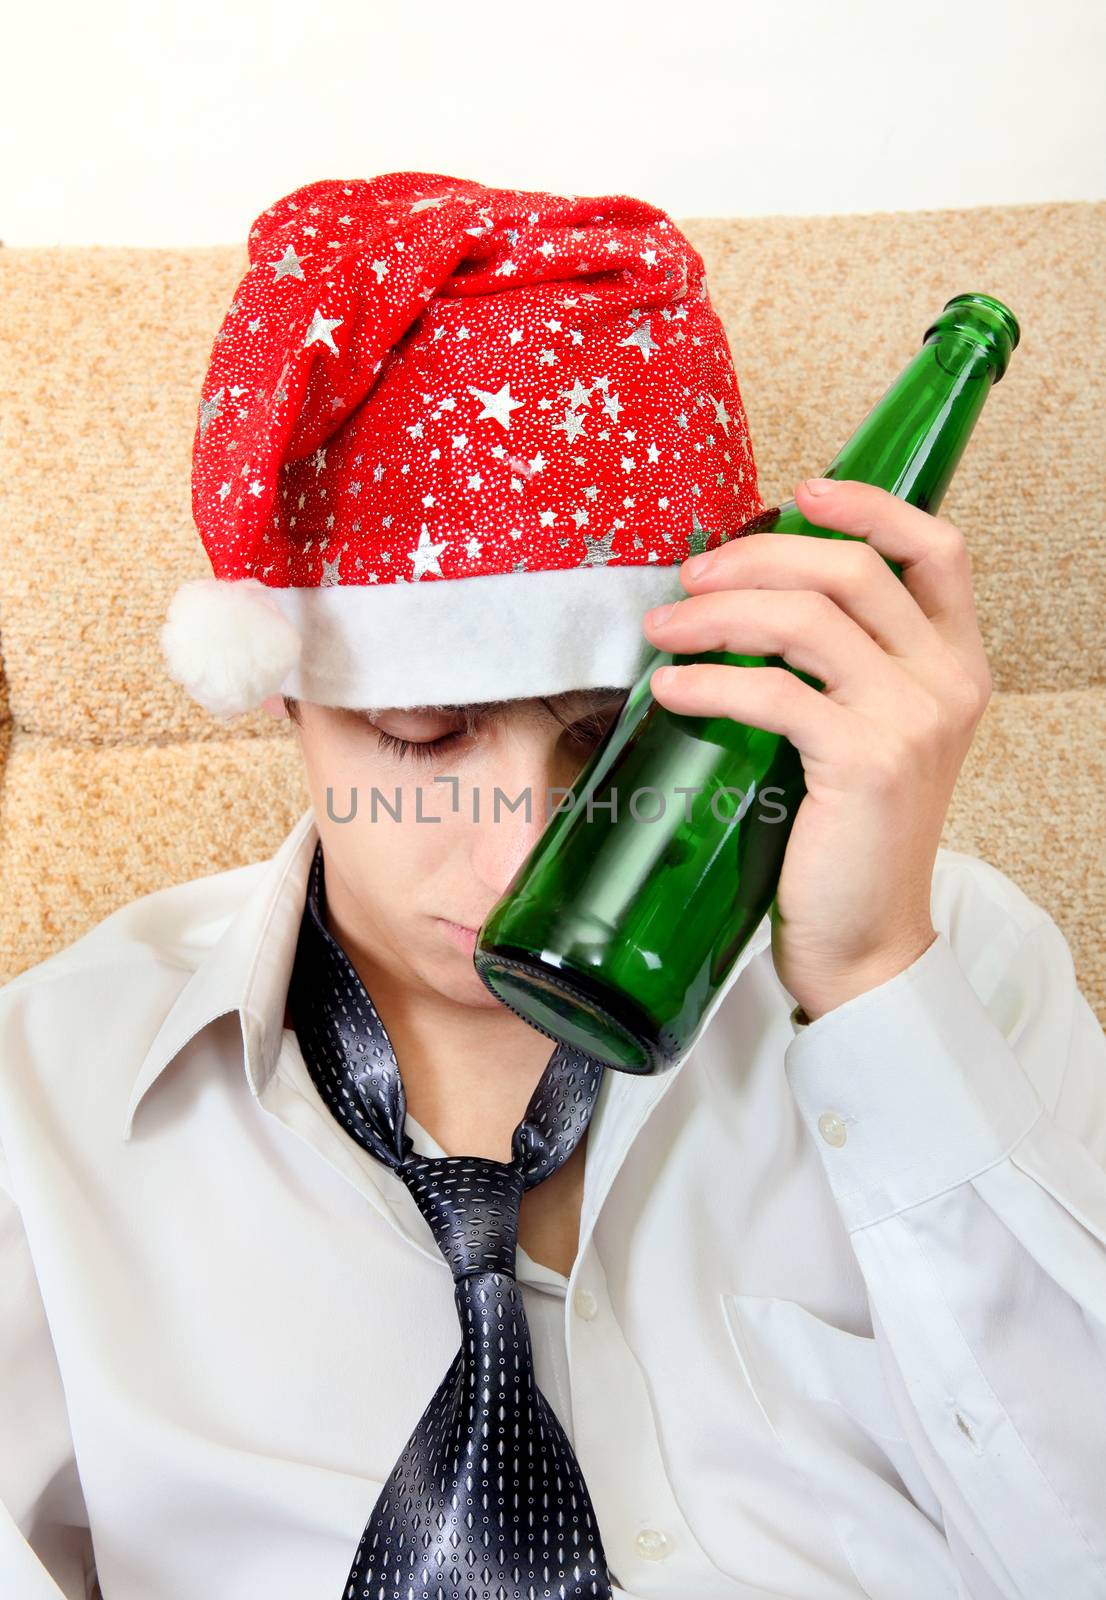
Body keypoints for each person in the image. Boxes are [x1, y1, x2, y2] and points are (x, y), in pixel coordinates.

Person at [1, 172, 1104, 1600]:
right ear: (290, 705)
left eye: (608, 735)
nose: (516, 849)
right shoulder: (49, 1084)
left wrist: (876, 990)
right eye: (422, 735)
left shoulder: (956, 963)